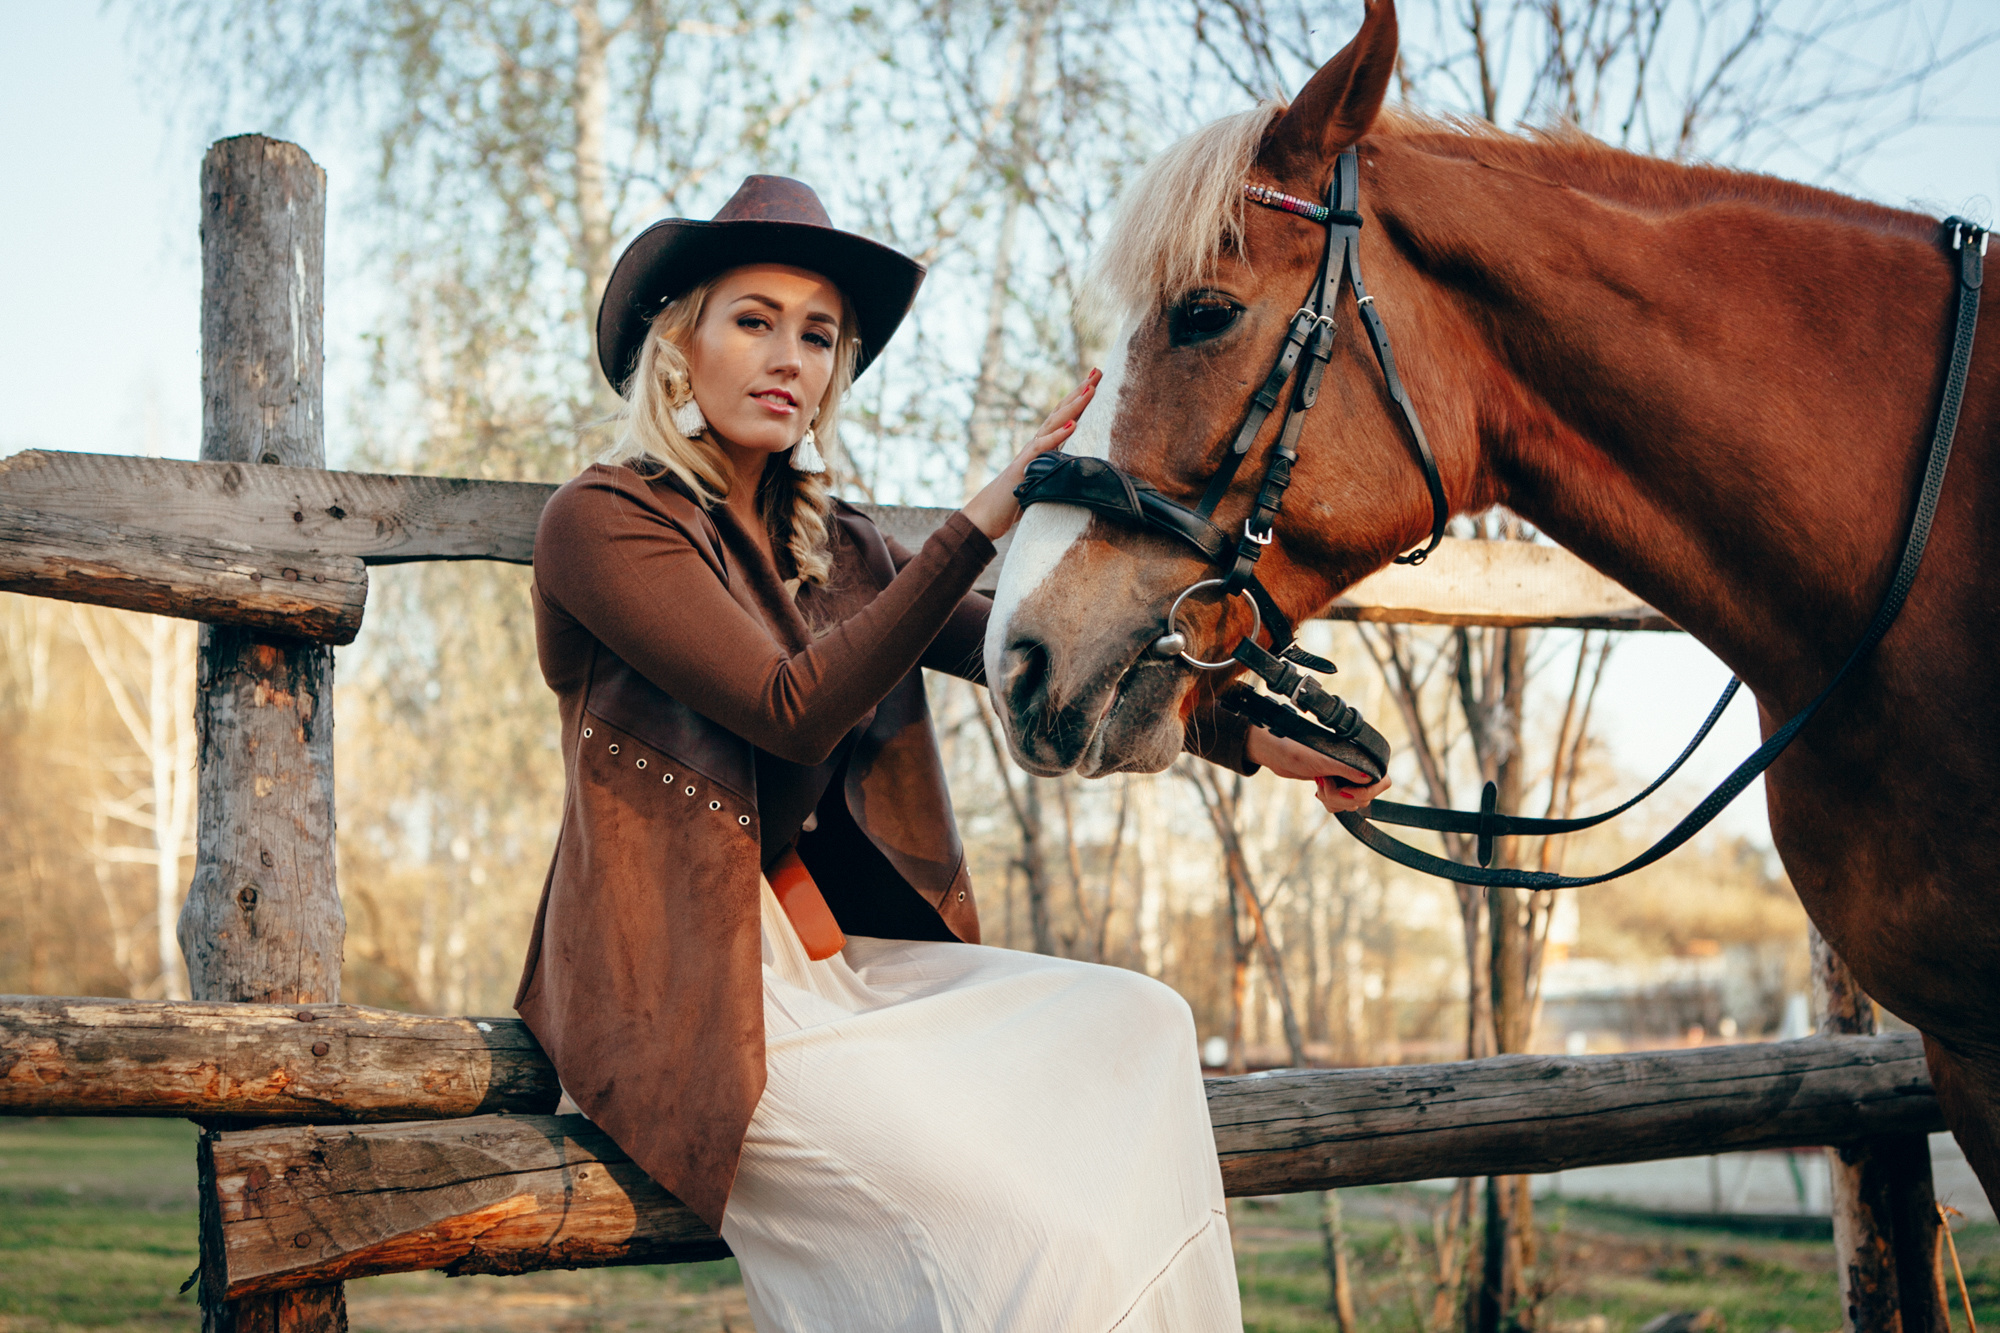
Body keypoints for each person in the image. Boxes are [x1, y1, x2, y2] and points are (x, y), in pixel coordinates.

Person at [514, 174, 1384, 1331]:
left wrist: (1247, 731)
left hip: (837, 966)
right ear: (680, 342)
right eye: (753, 319)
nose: (790, 357)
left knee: (1144, 1023)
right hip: (680, 990)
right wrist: (981, 520)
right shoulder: (604, 519)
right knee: (1028, 1234)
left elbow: (1006, 649)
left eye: (818, 335)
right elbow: (787, 707)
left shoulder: (839, 541)